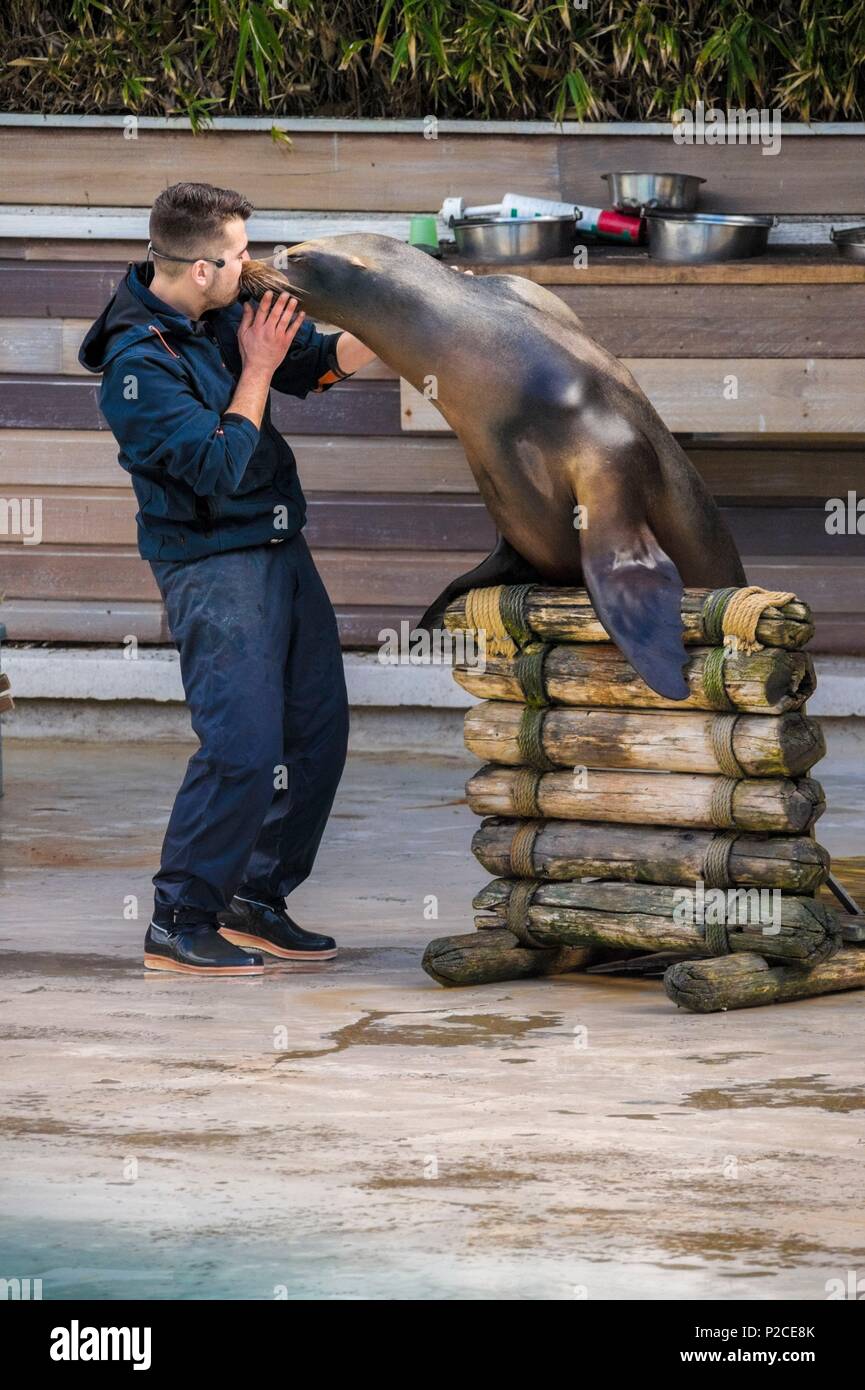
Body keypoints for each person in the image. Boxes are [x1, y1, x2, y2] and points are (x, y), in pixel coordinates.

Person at [79, 181, 378, 976]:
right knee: (242, 747)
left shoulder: (222, 309)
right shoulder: (135, 365)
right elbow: (215, 465)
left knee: (315, 735)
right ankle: (179, 920)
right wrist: (258, 367)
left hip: (280, 545)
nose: (255, 264)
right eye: (241, 253)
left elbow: (310, 361)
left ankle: (255, 897)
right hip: (212, 563)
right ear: (201, 267)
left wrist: (397, 320)